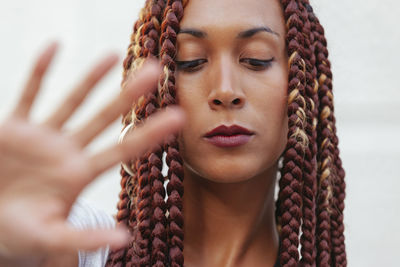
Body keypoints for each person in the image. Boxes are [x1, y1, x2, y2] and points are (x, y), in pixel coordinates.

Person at [0, 0, 346, 266]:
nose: (225, 90)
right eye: (190, 61)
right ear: (155, 92)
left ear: (303, 84)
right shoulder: (89, 246)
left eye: (256, 59)